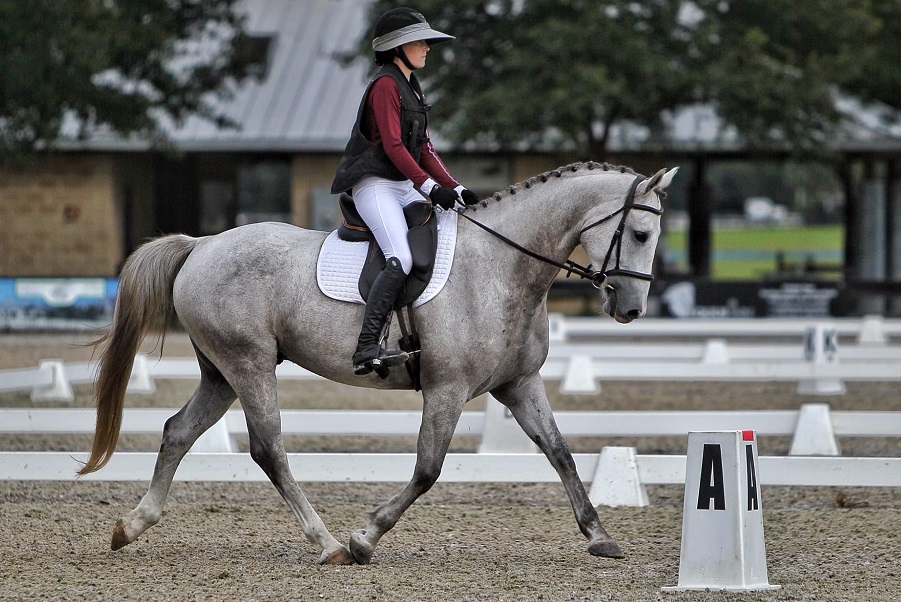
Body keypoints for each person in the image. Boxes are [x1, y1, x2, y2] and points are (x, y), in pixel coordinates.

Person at [331, 7, 479, 376]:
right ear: (397, 48)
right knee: (402, 256)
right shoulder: (384, 85)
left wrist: (455, 188)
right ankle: (366, 347)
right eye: (420, 42)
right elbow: (395, 148)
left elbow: (424, 148)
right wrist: (430, 187)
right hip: (376, 186)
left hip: (402, 185)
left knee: (449, 233)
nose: (427, 47)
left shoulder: (411, 84)